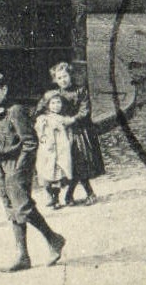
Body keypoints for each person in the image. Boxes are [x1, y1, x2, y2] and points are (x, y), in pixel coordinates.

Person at [0, 72, 65, 271]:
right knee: (11, 209)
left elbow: (30, 142)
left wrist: (19, 169)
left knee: (23, 207)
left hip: (15, 165)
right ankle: (23, 255)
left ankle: (54, 239)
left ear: (4, 90)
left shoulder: (15, 110)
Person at [36, 60, 104, 205]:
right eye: (59, 78)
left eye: (65, 76)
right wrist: (45, 119)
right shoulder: (55, 94)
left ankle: (85, 193)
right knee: (61, 165)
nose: (63, 80)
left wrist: (71, 120)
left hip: (79, 131)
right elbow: (41, 109)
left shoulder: (80, 90)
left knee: (80, 163)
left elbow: (85, 111)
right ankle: (58, 197)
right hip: (60, 134)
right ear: (55, 80)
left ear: (70, 76)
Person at [34, 89, 74, 207]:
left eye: (58, 103)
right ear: (47, 105)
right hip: (47, 151)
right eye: (53, 103)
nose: (56, 106)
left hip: (61, 151)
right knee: (46, 175)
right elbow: (40, 134)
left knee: (58, 176)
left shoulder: (64, 118)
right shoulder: (43, 118)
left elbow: (70, 132)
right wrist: (44, 142)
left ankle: (56, 198)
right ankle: (50, 196)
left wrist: (68, 143)